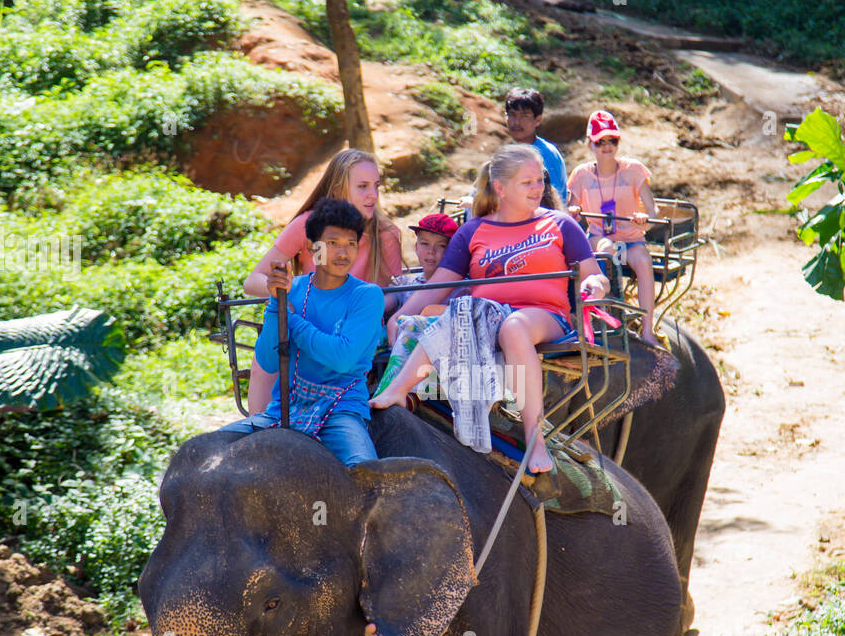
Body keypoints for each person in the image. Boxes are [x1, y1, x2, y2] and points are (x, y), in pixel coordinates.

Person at [371, 144, 609, 474]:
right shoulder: (474, 231)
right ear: (501, 188)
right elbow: (438, 284)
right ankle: (399, 390)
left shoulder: (560, 224)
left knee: (513, 326)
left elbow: (594, 275)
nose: (538, 188)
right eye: (527, 182)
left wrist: (594, 286)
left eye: (539, 180)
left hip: (541, 314)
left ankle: (535, 440)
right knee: (464, 308)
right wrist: (400, 314)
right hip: (485, 317)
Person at [222, 198, 384, 467]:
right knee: (213, 448)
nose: (343, 253)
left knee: (365, 470)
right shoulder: (292, 289)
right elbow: (268, 360)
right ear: (311, 247)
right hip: (283, 409)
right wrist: (277, 302)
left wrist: (291, 317)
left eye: (351, 244)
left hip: (341, 411)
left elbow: (341, 358)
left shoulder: (366, 295)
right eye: (332, 243)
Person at [242, 149, 401, 413]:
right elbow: (253, 281)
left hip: (354, 329)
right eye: (362, 187)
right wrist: (289, 293)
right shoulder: (307, 226)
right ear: (339, 188)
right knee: (265, 360)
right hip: (306, 318)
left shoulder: (386, 234)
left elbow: (396, 293)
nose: (373, 195)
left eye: (376, 186)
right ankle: (261, 431)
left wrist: (364, 307)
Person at [567, 110, 659, 343]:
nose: (606, 147)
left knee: (643, 261)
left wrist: (643, 219)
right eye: (600, 142)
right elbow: (570, 215)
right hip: (599, 237)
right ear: (590, 144)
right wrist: (574, 212)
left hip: (631, 239)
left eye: (612, 140)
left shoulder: (633, 170)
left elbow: (652, 211)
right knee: (606, 247)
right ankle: (609, 307)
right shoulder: (581, 175)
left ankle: (647, 329)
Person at [504, 87, 567, 208]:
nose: (517, 122)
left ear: (538, 120)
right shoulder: (510, 153)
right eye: (512, 115)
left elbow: (551, 202)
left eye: (524, 116)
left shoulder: (546, 154)